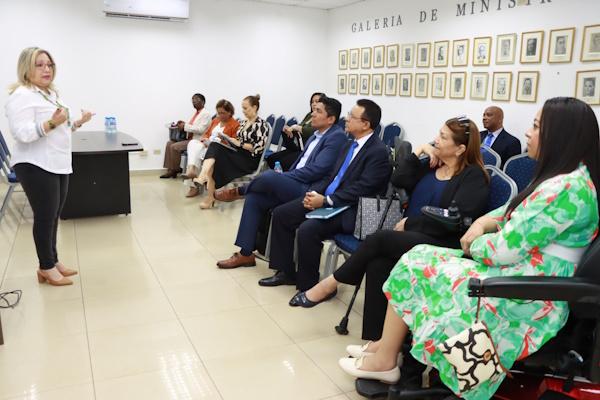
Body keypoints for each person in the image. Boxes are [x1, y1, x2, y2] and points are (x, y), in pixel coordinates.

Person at [338, 97, 600, 400]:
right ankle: (387, 352)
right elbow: (511, 210)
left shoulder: (563, 188)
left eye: (537, 126)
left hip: (525, 295)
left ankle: (388, 358)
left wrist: (473, 241)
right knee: (415, 257)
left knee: (416, 264)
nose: (528, 132)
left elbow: (502, 250)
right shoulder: (566, 179)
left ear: (561, 135)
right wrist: (483, 223)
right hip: (523, 275)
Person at [298, 117, 489, 341]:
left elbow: (454, 221)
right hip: (413, 236)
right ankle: (376, 342)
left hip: (443, 242)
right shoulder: (433, 166)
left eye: (443, 137)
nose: (436, 139)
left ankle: (329, 284)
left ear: (460, 149)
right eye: (438, 133)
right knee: (378, 263)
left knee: (378, 239)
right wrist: (419, 151)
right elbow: (398, 179)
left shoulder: (474, 176)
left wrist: (410, 223)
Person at [258, 100, 391, 300]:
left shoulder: (378, 152)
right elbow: (332, 177)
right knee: (282, 214)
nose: (346, 119)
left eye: (352, 116)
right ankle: (286, 272)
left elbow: (363, 188)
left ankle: (310, 286)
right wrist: (314, 194)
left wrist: (327, 200)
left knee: (308, 229)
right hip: (328, 199)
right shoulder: (349, 144)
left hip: (350, 209)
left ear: (365, 124)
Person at [214, 96, 347, 269]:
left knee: (269, 176)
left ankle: (239, 191)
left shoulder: (336, 137)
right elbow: (300, 161)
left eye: (318, 111)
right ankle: (246, 254)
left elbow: (317, 170)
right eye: (313, 110)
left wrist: (287, 177)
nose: (312, 114)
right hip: (296, 180)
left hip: (309, 189)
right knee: (254, 198)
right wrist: (287, 175)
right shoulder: (315, 135)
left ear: (331, 119)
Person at [5, 47, 94, 286]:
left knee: (54, 215)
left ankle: (53, 261)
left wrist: (79, 122)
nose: (47, 69)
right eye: (40, 65)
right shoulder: (22, 95)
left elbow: (61, 127)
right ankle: (45, 267)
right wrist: (52, 123)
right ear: (26, 68)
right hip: (35, 164)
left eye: (49, 64)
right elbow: (22, 133)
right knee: (45, 217)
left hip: (57, 162)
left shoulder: (50, 94)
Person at [193, 94, 269, 209]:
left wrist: (240, 144)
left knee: (215, 153)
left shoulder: (261, 125)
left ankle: (206, 187)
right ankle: (206, 186)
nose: (243, 111)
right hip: (238, 154)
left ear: (254, 107)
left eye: (245, 108)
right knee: (215, 146)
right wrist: (228, 140)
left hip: (249, 159)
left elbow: (258, 148)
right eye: (242, 108)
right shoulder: (243, 123)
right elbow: (237, 141)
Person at [183, 99, 240, 197]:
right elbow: (207, 133)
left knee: (197, 155)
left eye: (223, 113)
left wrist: (219, 141)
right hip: (207, 145)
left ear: (230, 112)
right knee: (193, 143)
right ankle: (191, 170)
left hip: (219, 150)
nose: (220, 115)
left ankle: (193, 186)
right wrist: (205, 139)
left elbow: (233, 144)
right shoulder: (215, 120)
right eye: (218, 113)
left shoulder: (235, 125)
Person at [266, 92, 323, 171]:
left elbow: (311, 131)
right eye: (312, 102)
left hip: (307, 151)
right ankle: (277, 176)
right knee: (271, 158)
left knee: (283, 163)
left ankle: (282, 177)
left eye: (317, 101)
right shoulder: (309, 115)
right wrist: (289, 132)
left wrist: (295, 127)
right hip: (298, 148)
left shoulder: (321, 119)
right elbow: (299, 129)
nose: (314, 104)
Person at [161, 93, 211, 178]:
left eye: (196, 99)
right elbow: (192, 126)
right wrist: (183, 124)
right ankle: (170, 169)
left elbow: (200, 129)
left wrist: (185, 126)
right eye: (192, 99)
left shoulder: (206, 114)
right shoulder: (196, 113)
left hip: (196, 141)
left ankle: (175, 170)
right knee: (169, 143)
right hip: (189, 138)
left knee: (174, 147)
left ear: (203, 102)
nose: (194, 101)